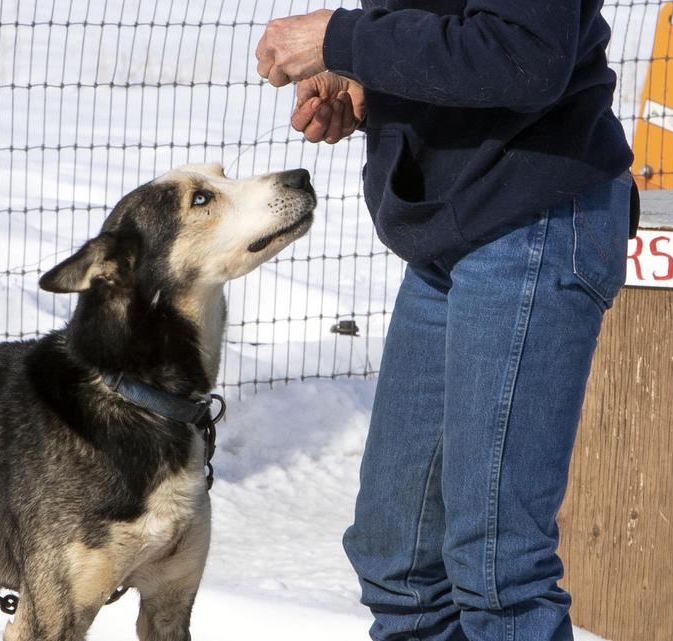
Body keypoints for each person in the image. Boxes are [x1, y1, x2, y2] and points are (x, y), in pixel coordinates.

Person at [255, 4, 635, 641]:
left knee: (498, 570)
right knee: (398, 562)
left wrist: (341, 37)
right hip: (451, 227)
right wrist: (372, 81)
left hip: (529, 215)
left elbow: (527, 55)